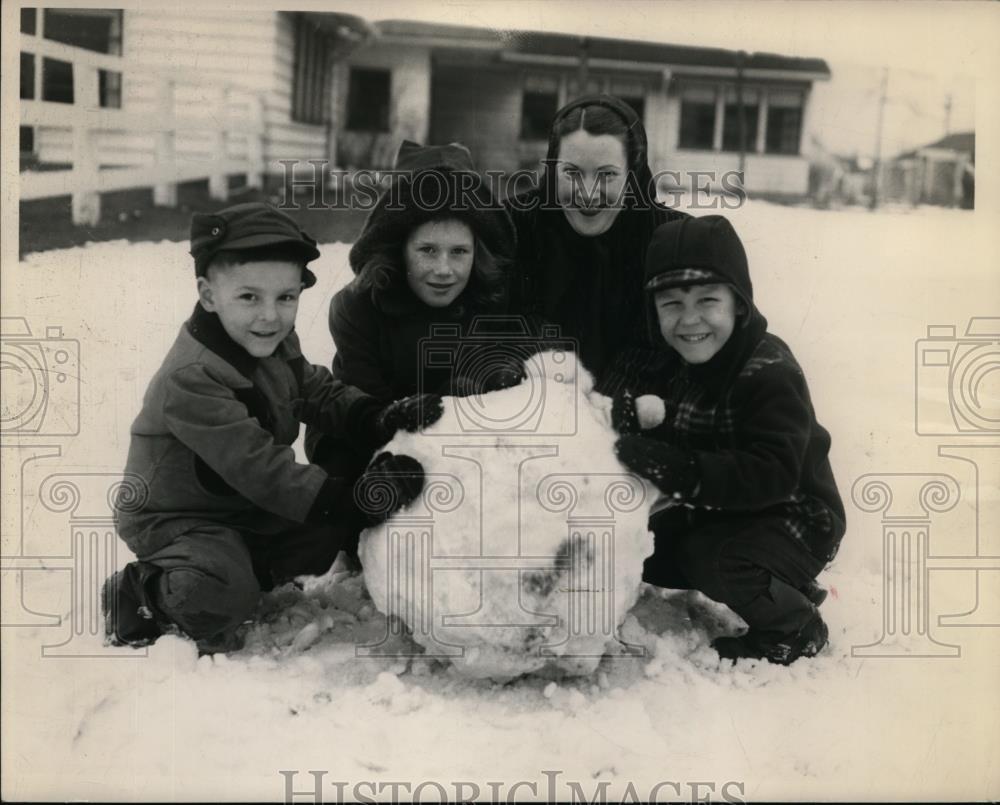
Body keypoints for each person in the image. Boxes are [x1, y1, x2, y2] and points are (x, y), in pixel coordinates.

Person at [103, 202, 440, 653]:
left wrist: (376, 416)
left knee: (324, 533)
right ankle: (141, 593)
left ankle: (239, 566)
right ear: (207, 295)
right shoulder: (192, 378)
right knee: (220, 593)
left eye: (286, 297)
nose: (270, 315)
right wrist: (358, 496)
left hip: (237, 506)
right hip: (177, 516)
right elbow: (264, 471)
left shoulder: (271, 341)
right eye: (249, 297)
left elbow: (315, 390)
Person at [612, 215, 846, 664]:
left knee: (714, 560)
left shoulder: (769, 372)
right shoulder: (682, 361)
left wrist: (686, 472)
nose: (690, 319)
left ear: (738, 304)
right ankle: (777, 582)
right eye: (672, 304)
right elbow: (673, 424)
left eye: (707, 301)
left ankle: (794, 626)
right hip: (733, 509)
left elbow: (772, 473)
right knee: (646, 549)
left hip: (797, 518)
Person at [307, 139, 519, 468]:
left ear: (478, 251)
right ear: (398, 247)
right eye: (427, 250)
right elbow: (368, 414)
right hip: (368, 436)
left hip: (462, 444)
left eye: (459, 252)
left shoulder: (492, 299)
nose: (444, 270)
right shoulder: (355, 308)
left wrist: (474, 391)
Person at [505, 94, 688, 395]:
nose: (588, 194)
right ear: (552, 169)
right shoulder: (514, 226)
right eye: (572, 173)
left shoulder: (672, 237)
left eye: (606, 175)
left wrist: (605, 409)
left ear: (633, 173)